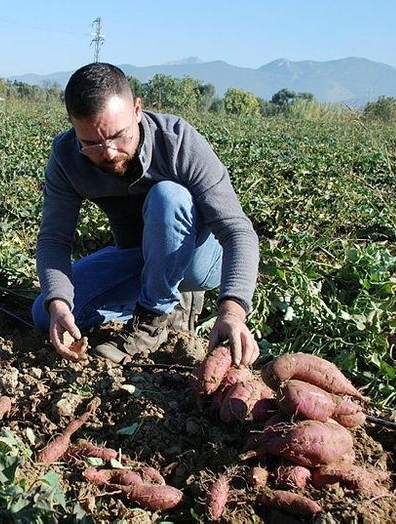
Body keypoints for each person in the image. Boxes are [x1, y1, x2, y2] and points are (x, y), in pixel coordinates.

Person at [32, 62, 259, 367]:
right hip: (139, 253)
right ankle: (167, 300)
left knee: (168, 196)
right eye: (92, 144)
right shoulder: (66, 156)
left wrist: (233, 309)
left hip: (197, 256)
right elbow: (54, 239)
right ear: (74, 127)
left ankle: (153, 318)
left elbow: (237, 231)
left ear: (137, 110)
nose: (109, 152)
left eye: (118, 136)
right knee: (44, 312)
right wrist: (59, 304)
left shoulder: (177, 141)